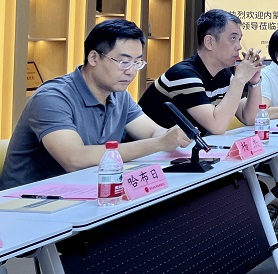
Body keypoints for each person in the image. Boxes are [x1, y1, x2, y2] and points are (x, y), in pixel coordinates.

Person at [0, 19, 191, 189]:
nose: (131, 71)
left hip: (87, 192)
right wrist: (159, 143)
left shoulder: (119, 95)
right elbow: (74, 158)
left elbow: (152, 132)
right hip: (27, 202)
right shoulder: (52, 98)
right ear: (93, 58)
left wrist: (174, 136)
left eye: (137, 63)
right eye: (124, 62)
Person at [138, 9, 264, 135]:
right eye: (233, 38)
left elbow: (251, 118)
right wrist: (240, 79)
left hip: (183, 146)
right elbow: (217, 127)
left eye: (239, 39)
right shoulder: (184, 75)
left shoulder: (224, 74)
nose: (239, 46)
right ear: (209, 42)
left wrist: (254, 82)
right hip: (150, 146)